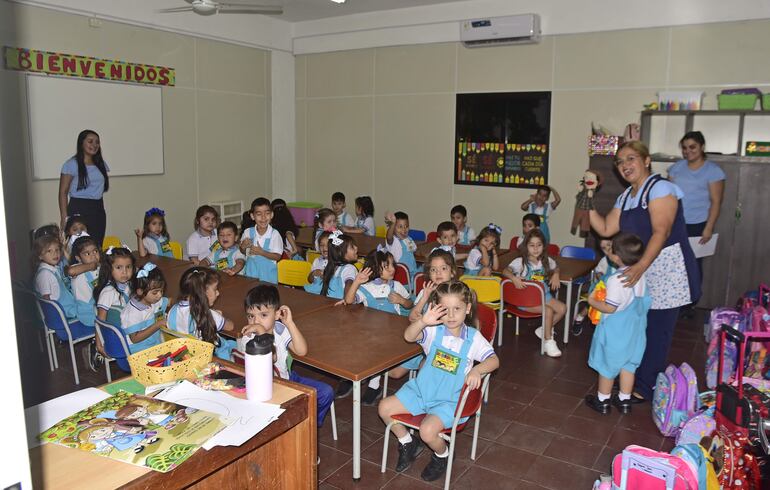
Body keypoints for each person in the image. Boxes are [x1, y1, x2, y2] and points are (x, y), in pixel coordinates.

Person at [589, 140, 700, 402]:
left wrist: (640, 266)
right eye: (620, 162)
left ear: (646, 160)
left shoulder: (661, 188)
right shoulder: (625, 196)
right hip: (642, 267)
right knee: (638, 326)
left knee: (658, 330)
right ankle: (630, 384)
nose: (625, 165)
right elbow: (605, 228)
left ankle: (645, 386)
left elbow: (662, 231)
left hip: (666, 268)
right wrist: (588, 199)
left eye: (630, 159)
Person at [378, 281, 498, 481]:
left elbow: (494, 360)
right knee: (384, 408)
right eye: (445, 309)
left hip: (449, 401)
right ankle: (408, 442)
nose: (451, 315)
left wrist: (478, 369)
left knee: (427, 432)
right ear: (436, 308)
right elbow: (408, 336)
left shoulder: (473, 338)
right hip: (422, 391)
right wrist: (423, 321)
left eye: (457, 309)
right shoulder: (434, 330)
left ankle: (442, 455)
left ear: (467, 309)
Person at [239, 285, 334, 429]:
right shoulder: (249, 337)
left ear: (277, 315)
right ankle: (296, 425)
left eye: (263, 315)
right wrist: (260, 331)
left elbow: (301, 350)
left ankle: (311, 425)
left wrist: (289, 323)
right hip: (269, 386)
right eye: (251, 316)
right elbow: (272, 357)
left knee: (325, 392)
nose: (256, 321)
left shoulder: (280, 328)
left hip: (288, 379)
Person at [585, 233, 652, 415]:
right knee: (629, 366)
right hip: (636, 331)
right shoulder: (640, 273)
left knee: (607, 366)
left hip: (616, 332)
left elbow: (609, 308)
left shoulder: (616, 280)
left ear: (616, 257)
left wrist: (591, 300)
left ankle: (603, 400)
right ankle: (624, 400)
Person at [667, 131, 726, 315]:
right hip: (675, 222)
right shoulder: (676, 168)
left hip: (697, 224)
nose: (688, 151)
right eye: (684, 148)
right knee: (673, 262)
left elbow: (716, 202)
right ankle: (673, 301)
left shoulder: (713, 171)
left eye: (692, 147)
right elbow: (669, 197)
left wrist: (708, 228)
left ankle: (690, 303)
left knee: (692, 264)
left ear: (701, 147)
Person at [502, 228, 565, 358]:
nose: (535, 249)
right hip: (526, 300)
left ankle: (544, 329)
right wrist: (513, 278)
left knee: (562, 308)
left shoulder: (546, 261)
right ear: (526, 247)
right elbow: (505, 271)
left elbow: (556, 267)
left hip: (544, 296)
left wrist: (556, 274)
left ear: (543, 246)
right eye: (532, 245)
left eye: (539, 245)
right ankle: (548, 340)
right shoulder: (520, 262)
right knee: (548, 311)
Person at [167, 267, 237, 360]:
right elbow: (230, 326)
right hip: (213, 360)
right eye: (215, 289)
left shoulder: (172, 311)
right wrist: (219, 315)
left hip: (185, 358)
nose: (218, 293)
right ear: (203, 293)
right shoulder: (207, 314)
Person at [58, 130, 110, 248]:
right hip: (78, 207)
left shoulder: (100, 164)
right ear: (81, 143)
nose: (94, 145)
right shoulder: (71, 164)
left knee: (96, 246)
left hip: (98, 209)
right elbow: (63, 192)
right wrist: (64, 217)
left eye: (97, 142)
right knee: (79, 247)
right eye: (90, 141)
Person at [93, 246, 135, 368]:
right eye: (119, 267)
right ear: (109, 269)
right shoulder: (108, 292)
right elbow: (100, 320)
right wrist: (99, 343)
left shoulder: (130, 286)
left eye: (128, 267)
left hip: (128, 330)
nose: (125, 272)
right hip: (120, 338)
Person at [572, 237, 617, 336]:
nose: (607, 250)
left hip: (615, 291)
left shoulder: (621, 257)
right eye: (604, 248)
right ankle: (579, 317)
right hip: (601, 289)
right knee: (595, 304)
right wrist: (602, 278)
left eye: (609, 245)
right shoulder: (605, 261)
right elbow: (598, 272)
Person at [120, 263, 168, 354]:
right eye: (155, 292)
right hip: (138, 351)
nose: (160, 295)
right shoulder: (132, 312)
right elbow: (134, 338)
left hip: (153, 345)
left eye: (161, 291)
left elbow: (168, 301)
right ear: (140, 292)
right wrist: (157, 325)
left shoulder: (153, 300)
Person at [34, 234, 77, 320]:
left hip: (68, 307)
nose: (55, 253)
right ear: (40, 255)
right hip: (65, 312)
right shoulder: (44, 274)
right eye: (49, 251)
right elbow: (46, 300)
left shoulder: (53, 270)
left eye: (57, 250)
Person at [240, 197, 283, 283]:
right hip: (250, 275)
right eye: (259, 214)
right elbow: (245, 252)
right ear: (252, 216)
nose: (263, 217)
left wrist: (262, 252)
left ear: (272, 215)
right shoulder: (247, 232)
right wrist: (243, 247)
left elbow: (278, 256)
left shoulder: (274, 234)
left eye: (267, 213)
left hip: (268, 278)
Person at [70, 235, 101, 328]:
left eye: (95, 251)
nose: (93, 256)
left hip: (96, 307)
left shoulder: (99, 267)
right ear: (78, 258)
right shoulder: (78, 273)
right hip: (89, 314)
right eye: (87, 254)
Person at [320, 231, 359, 300]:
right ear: (341, 253)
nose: (356, 248)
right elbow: (349, 286)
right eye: (352, 247)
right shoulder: (349, 268)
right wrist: (347, 300)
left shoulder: (331, 266)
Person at [384, 211, 418, 278]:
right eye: (400, 227)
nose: (404, 229)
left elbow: (414, 250)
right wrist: (393, 223)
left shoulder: (409, 239)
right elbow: (389, 237)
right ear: (393, 228)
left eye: (406, 226)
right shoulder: (394, 241)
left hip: (412, 273)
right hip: (400, 276)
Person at [304, 231, 330, 295]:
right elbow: (309, 280)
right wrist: (313, 273)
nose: (324, 248)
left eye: (328, 245)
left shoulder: (337, 263)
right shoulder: (317, 261)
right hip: (315, 292)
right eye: (322, 245)